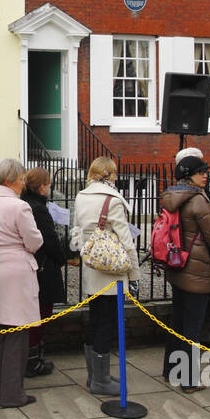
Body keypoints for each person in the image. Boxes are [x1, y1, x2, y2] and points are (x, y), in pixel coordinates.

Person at [0, 158, 43, 408]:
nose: (24, 182)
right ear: (9, 180)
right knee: (16, 332)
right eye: (21, 178)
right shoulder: (19, 207)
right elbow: (34, 241)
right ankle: (13, 393)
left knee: (1, 331)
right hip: (16, 269)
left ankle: (0, 390)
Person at [160, 154, 210, 392]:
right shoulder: (198, 200)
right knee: (193, 326)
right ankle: (189, 379)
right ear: (189, 175)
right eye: (201, 172)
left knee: (177, 321)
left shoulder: (172, 196)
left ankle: (171, 369)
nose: (206, 175)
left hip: (178, 265)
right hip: (197, 268)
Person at [72, 157, 139, 396]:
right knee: (107, 322)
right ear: (109, 174)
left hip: (92, 263)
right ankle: (100, 380)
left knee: (95, 319)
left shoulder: (81, 196)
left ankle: (95, 375)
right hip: (111, 268)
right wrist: (134, 272)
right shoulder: (112, 200)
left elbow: (77, 230)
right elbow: (126, 240)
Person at [20, 166, 62, 376]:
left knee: (31, 313)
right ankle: (33, 360)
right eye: (48, 184)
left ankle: (31, 357)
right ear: (43, 186)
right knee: (40, 314)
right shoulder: (37, 207)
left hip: (31, 264)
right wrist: (62, 257)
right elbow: (49, 238)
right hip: (43, 266)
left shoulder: (25, 202)